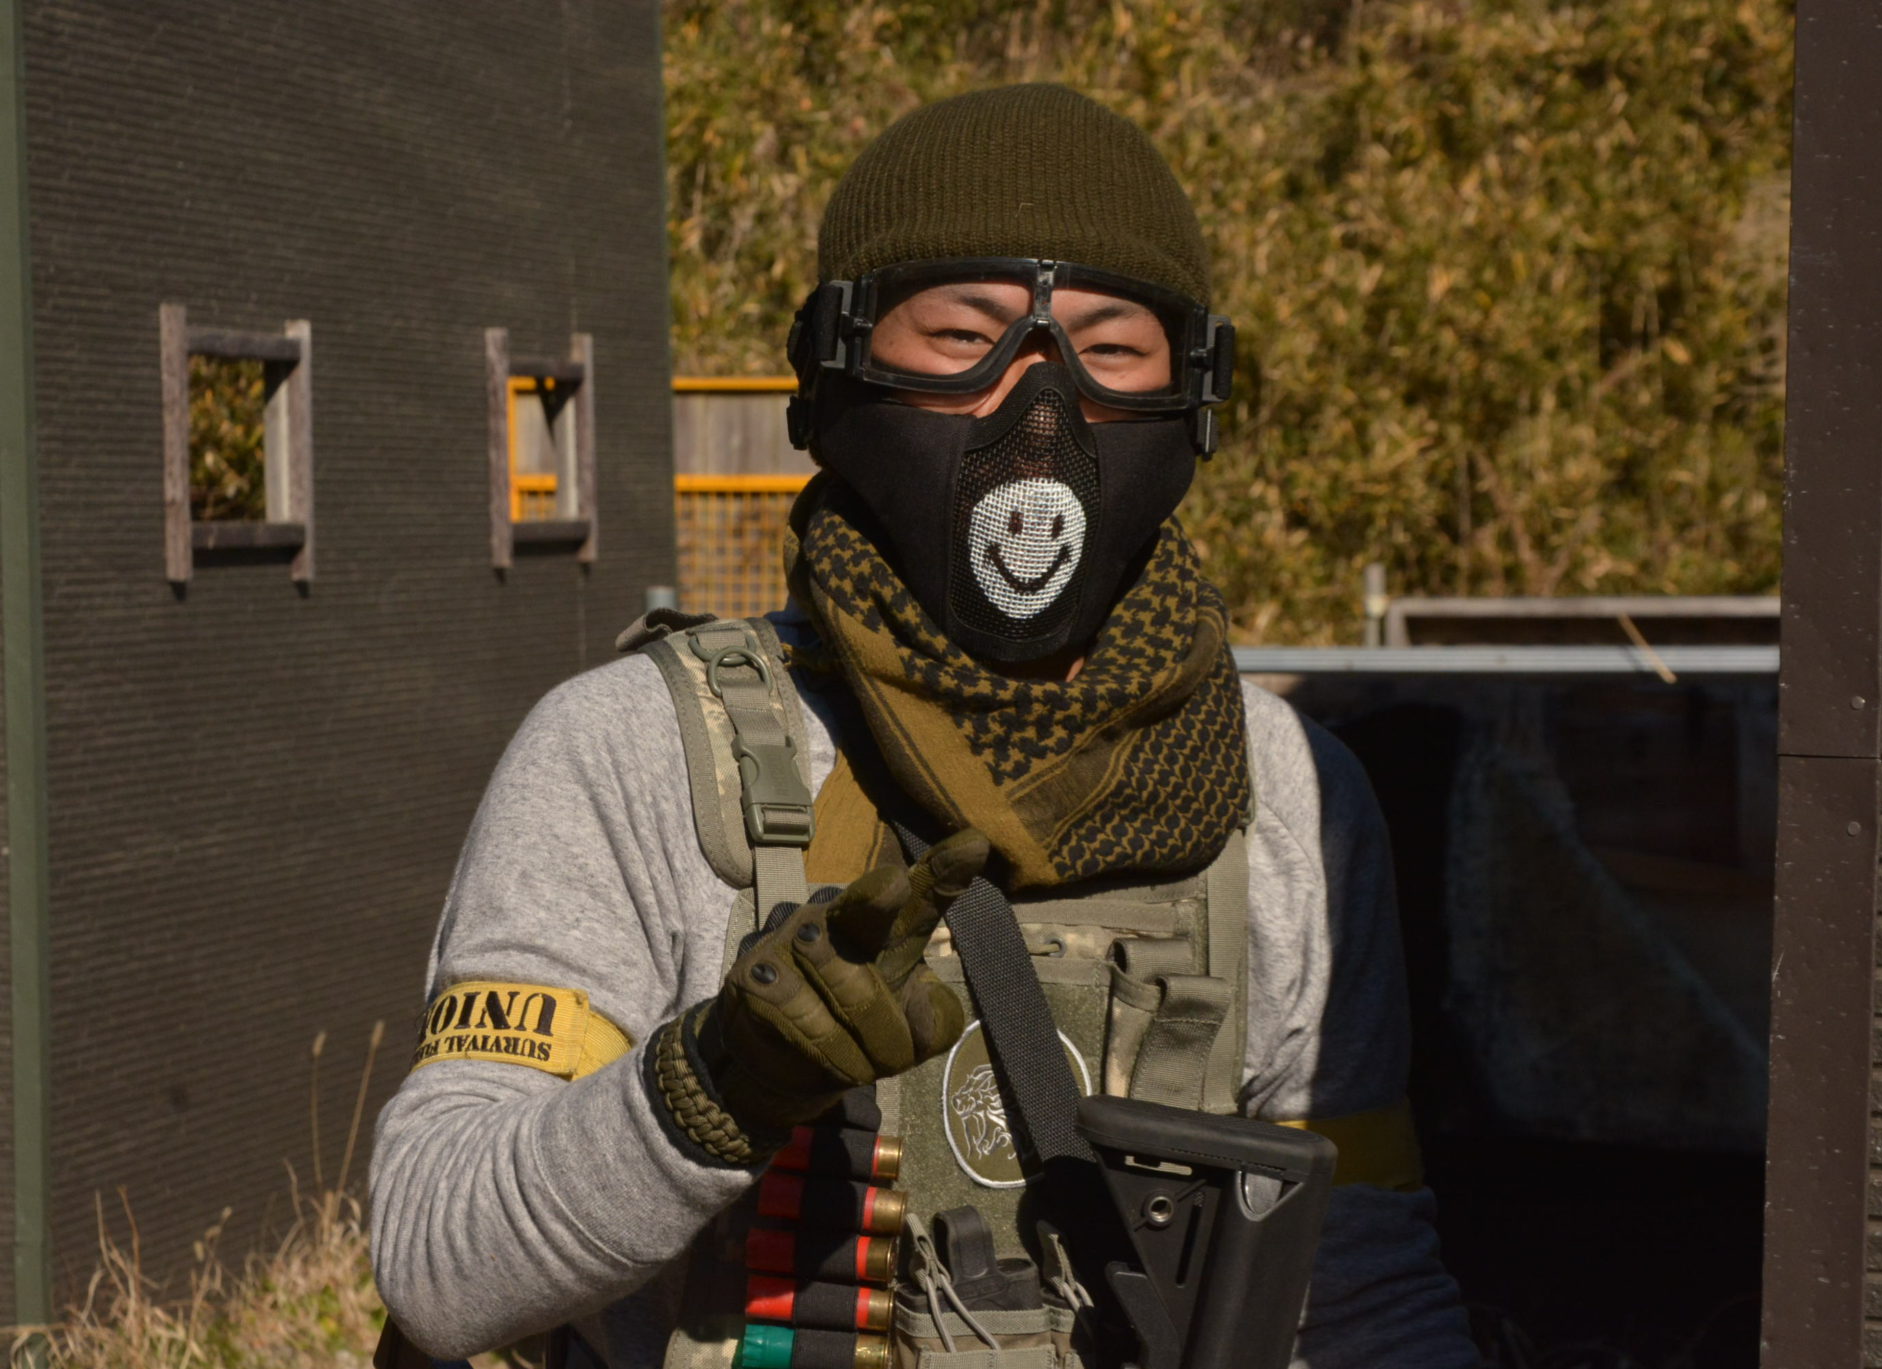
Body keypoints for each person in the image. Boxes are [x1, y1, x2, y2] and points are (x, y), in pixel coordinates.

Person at [371, 82, 1478, 1369]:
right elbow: (440, 1264)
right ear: (835, 369)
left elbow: (1359, 1287)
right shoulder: (632, 753)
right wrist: (711, 1087)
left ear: (1195, 392)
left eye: (1111, 349)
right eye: (962, 336)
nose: (1038, 404)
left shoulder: (1280, 791)